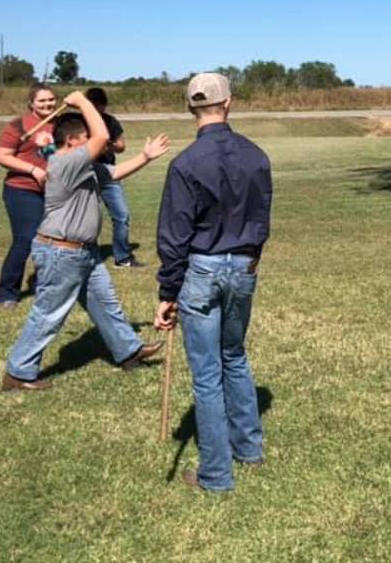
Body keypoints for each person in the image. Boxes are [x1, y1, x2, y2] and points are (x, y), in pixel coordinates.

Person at [3, 91, 170, 390]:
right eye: (85, 138)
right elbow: (102, 136)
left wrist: (145, 157)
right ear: (71, 141)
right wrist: (82, 102)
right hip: (61, 252)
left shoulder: (84, 166)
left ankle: (128, 351)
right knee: (49, 314)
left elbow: (115, 171)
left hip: (84, 253)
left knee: (106, 303)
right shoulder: (64, 163)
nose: (94, 142)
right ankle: (18, 372)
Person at [154, 72, 272, 492]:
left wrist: (167, 292)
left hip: (202, 270)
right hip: (243, 265)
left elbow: (174, 235)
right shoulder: (256, 156)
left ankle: (217, 475)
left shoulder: (185, 163)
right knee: (234, 356)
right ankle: (249, 449)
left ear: (191, 108)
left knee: (208, 373)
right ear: (228, 103)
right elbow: (262, 219)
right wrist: (251, 260)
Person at [0, 84, 58, 309]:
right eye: (42, 101)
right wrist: (33, 170)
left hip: (53, 191)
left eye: (51, 99)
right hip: (21, 189)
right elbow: (2, 155)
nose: (48, 104)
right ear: (31, 103)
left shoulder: (61, 123)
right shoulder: (18, 125)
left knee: (52, 239)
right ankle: (7, 293)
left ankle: (46, 285)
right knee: (26, 238)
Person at [84, 87, 141, 268]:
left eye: (101, 106)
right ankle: (86, 256)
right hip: (86, 171)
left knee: (122, 215)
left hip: (109, 172)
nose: (98, 110)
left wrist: (112, 146)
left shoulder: (110, 121)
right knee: (89, 217)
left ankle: (122, 257)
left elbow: (122, 145)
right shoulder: (79, 122)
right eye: (94, 106)